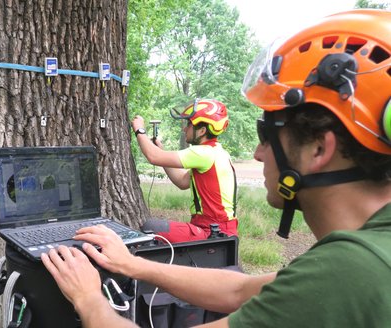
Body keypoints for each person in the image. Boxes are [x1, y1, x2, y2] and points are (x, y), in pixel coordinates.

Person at [42, 9, 391, 327]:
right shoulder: (363, 256)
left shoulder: (348, 275)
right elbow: (239, 290)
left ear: (319, 148)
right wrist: (130, 264)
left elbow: (154, 159)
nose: (257, 153)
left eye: (265, 135)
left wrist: (88, 299)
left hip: (209, 231)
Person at [131, 98, 238, 242]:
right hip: (217, 229)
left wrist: (139, 129)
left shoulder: (204, 153)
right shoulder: (217, 152)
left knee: (152, 228)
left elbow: (153, 156)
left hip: (213, 232)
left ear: (201, 131)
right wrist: (161, 151)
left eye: (189, 124)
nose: (184, 129)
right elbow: (182, 181)